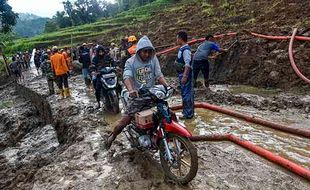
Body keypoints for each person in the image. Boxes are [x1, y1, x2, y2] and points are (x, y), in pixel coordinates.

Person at [105, 36, 170, 149]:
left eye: (149, 52)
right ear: (139, 51)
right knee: (124, 121)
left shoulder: (153, 59)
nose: (147, 54)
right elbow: (127, 76)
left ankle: (174, 139)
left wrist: (167, 86)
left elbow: (159, 75)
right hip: (137, 95)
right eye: (145, 52)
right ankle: (112, 136)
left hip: (151, 93)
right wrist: (131, 90)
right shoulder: (131, 62)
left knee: (169, 114)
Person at [175, 31, 194, 119]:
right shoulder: (182, 48)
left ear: (180, 38)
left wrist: (185, 76)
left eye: (177, 38)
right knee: (184, 93)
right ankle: (185, 112)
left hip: (184, 74)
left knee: (187, 94)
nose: (176, 40)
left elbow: (187, 64)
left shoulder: (186, 50)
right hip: (181, 73)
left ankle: (188, 114)